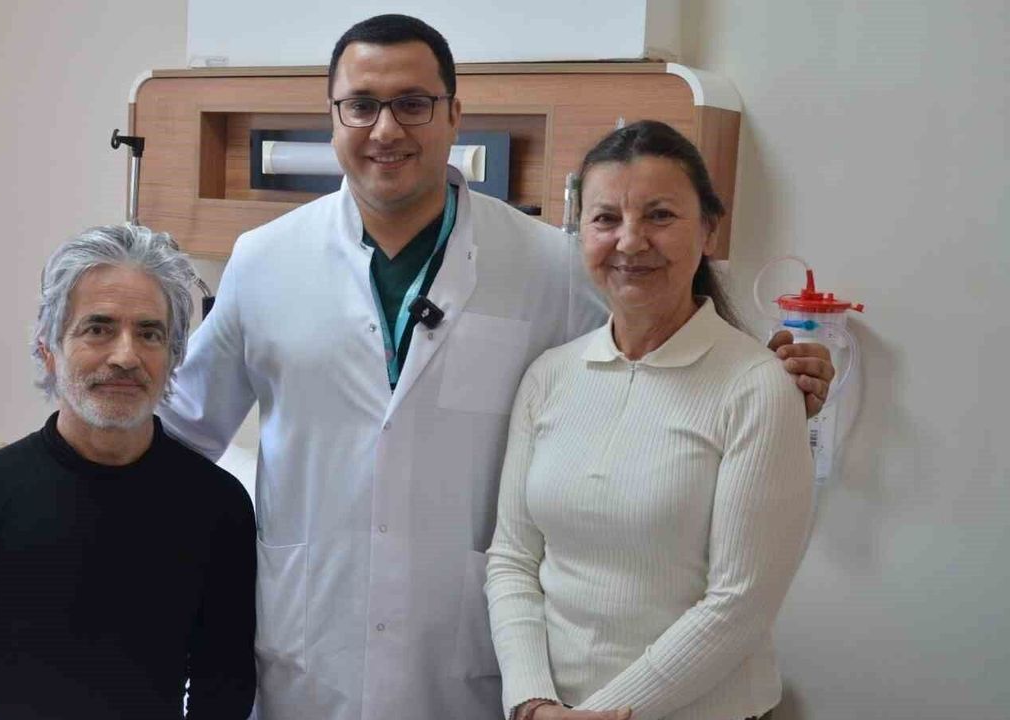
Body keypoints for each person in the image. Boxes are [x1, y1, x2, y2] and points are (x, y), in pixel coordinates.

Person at [159, 14, 832, 720]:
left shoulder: (550, 265)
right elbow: (183, 433)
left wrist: (771, 374)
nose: (386, 129)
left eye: (413, 103)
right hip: (310, 648)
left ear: (455, 115)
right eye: (360, 105)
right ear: (332, 118)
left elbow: (656, 350)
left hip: (476, 661)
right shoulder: (263, 260)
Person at [486, 120, 815, 720]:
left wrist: (606, 714)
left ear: (708, 229)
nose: (631, 242)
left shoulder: (756, 386)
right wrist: (533, 701)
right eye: (606, 218)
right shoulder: (550, 376)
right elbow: (512, 559)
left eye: (660, 216)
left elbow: (739, 602)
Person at [0, 225, 256, 720]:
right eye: (98, 328)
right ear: (49, 350)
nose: (126, 356)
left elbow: (224, 686)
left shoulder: (218, 508)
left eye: (150, 334)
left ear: (174, 358)